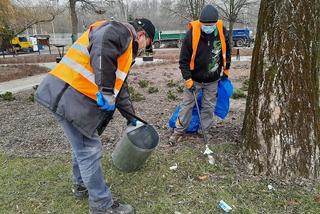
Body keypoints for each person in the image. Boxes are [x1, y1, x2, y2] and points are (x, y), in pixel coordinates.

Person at [35, 18, 155, 214]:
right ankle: (101, 205)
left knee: (82, 146)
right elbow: (103, 42)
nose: (143, 49)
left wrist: (131, 117)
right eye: (147, 45)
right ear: (142, 35)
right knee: (89, 149)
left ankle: (81, 185)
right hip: (67, 95)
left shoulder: (125, 48)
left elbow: (120, 87)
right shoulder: (119, 31)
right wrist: (106, 90)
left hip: (64, 94)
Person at [168, 4, 231, 145]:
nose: (208, 27)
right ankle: (178, 131)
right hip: (194, 79)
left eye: (211, 25)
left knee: (209, 106)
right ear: (200, 23)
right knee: (187, 106)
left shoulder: (221, 31)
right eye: (205, 25)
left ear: (216, 23)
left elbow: (227, 52)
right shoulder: (192, 34)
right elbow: (183, 60)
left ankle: (204, 130)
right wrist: (187, 78)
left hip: (213, 79)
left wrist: (226, 70)